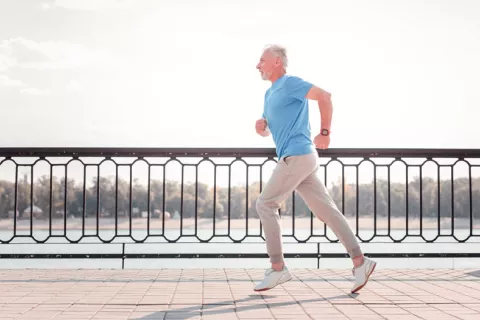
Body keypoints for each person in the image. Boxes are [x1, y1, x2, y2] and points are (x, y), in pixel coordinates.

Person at [253, 44, 376, 294]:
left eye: (262, 60)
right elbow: (269, 129)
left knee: (265, 204)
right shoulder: (269, 94)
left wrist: (325, 133)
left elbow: (325, 96)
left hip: (297, 155)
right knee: (327, 211)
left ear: (277, 61)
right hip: (300, 158)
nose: (258, 65)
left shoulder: (290, 83)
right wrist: (262, 128)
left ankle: (278, 269)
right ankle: (360, 262)